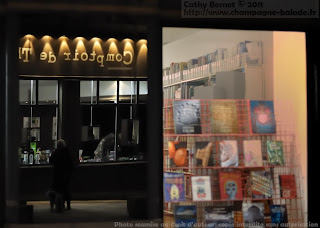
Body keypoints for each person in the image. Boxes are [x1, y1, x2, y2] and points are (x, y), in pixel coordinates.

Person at [49, 139, 74, 211]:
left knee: (57, 190)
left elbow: (51, 160)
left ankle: (58, 205)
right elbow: (71, 164)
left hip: (57, 174)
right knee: (66, 190)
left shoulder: (55, 153)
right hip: (66, 174)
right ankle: (68, 205)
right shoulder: (67, 153)